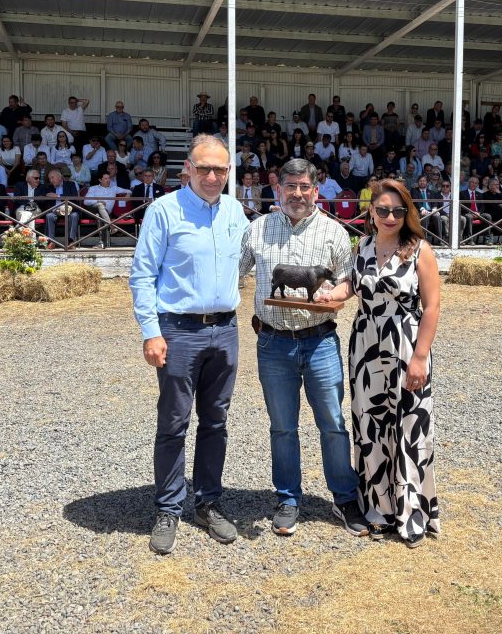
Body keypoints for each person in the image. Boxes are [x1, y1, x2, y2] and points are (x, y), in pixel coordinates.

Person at [238, 158, 370, 539]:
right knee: (282, 427)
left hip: (320, 340)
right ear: (278, 188)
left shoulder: (333, 232)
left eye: (304, 187)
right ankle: (287, 498)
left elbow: (348, 281)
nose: (297, 194)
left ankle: (344, 498)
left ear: (316, 190)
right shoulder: (257, 230)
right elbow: (232, 271)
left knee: (333, 423)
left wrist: (336, 296)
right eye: (290, 186)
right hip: (273, 341)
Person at [130, 134, 247, 555]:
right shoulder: (164, 211)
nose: (212, 176)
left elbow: (256, 260)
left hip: (225, 329)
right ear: (188, 170)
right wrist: (151, 331)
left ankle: (208, 502)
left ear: (229, 171)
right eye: (204, 169)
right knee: (174, 423)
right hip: (178, 330)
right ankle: (167, 507)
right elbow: (142, 275)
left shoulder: (235, 211)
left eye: (220, 169)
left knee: (216, 422)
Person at [317, 178, 441, 547]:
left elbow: (432, 307)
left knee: (407, 427)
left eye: (398, 210)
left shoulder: (420, 250)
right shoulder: (363, 246)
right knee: (371, 427)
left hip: (405, 346)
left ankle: (411, 513)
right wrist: (329, 295)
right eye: (382, 209)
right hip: (366, 346)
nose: (390, 216)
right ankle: (379, 509)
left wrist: (419, 357)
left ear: (407, 213)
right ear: (371, 210)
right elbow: (352, 287)